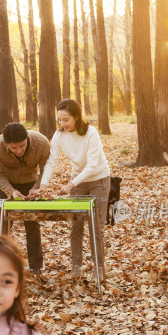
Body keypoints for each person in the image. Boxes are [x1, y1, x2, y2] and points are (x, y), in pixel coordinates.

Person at [37, 98, 111, 279]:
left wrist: (70, 185)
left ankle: (98, 269)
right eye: (59, 120)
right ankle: (76, 268)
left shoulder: (91, 133)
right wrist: (43, 184)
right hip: (78, 183)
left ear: (77, 117)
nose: (62, 124)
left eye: (66, 120)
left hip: (99, 181)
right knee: (76, 226)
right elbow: (51, 161)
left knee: (96, 227)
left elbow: (92, 165)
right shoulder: (59, 135)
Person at [0, 122, 50, 273]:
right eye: (13, 148)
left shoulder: (42, 143)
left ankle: (36, 267)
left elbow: (46, 170)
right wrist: (11, 191)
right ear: (6, 144)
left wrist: (36, 188)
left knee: (32, 223)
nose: (19, 150)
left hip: (30, 183)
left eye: (22, 146)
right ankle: (0, 264)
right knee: (4, 222)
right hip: (6, 184)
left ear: (27, 138)